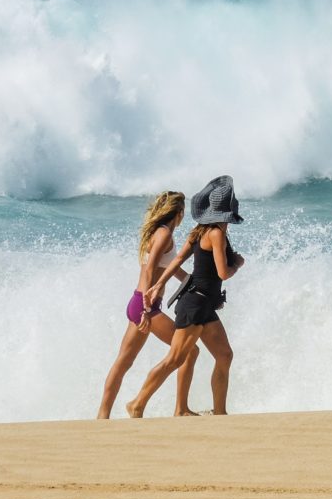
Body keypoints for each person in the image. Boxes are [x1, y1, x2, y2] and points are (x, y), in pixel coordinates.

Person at [126, 175, 245, 418]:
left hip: (202, 303)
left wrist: (159, 283)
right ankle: (137, 403)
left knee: (224, 355)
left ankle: (220, 412)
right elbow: (223, 272)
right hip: (196, 304)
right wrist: (238, 264)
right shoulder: (217, 234)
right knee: (174, 359)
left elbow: (178, 260)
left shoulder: (199, 231)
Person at [96, 191, 200, 418]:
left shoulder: (158, 233)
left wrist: (198, 285)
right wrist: (145, 308)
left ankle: (102, 417)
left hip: (139, 302)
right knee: (190, 351)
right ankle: (177, 409)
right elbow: (151, 269)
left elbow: (171, 270)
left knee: (123, 362)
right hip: (146, 306)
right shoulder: (163, 234)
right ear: (179, 213)